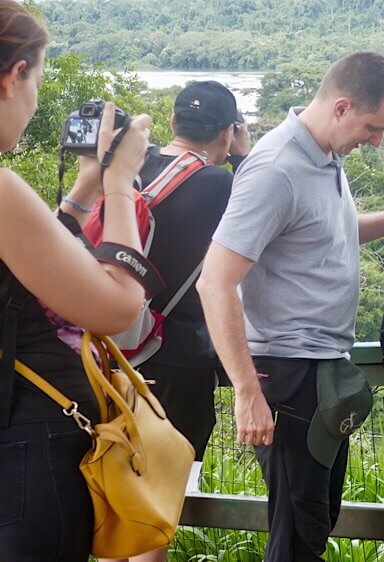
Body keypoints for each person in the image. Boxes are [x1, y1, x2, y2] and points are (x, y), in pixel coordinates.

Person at [197, 51, 384, 561]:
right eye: (374, 127)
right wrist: (246, 391)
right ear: (342, 106)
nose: (376, 141)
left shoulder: (327, 157)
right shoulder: (276, 169)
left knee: (317, 517)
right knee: (297, 531)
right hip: (288, 378)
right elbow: (214, 282)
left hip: (322, 372)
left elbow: (333, 230)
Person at [61, 80, 250, 562]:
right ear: (229, 133)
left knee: (111, 500)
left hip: (103, 357)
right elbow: (267, 215)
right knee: (155, 516)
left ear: (170, 124)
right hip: (177, 361)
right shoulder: (223, 184)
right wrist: (243, 158)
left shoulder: (127, 167)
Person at [0, 1, 155, 560]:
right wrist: (119, 184)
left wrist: (84, 189)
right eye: (37, 79)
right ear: (14, 76)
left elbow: (18, 275)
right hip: (26, 455)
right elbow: (117, 308)